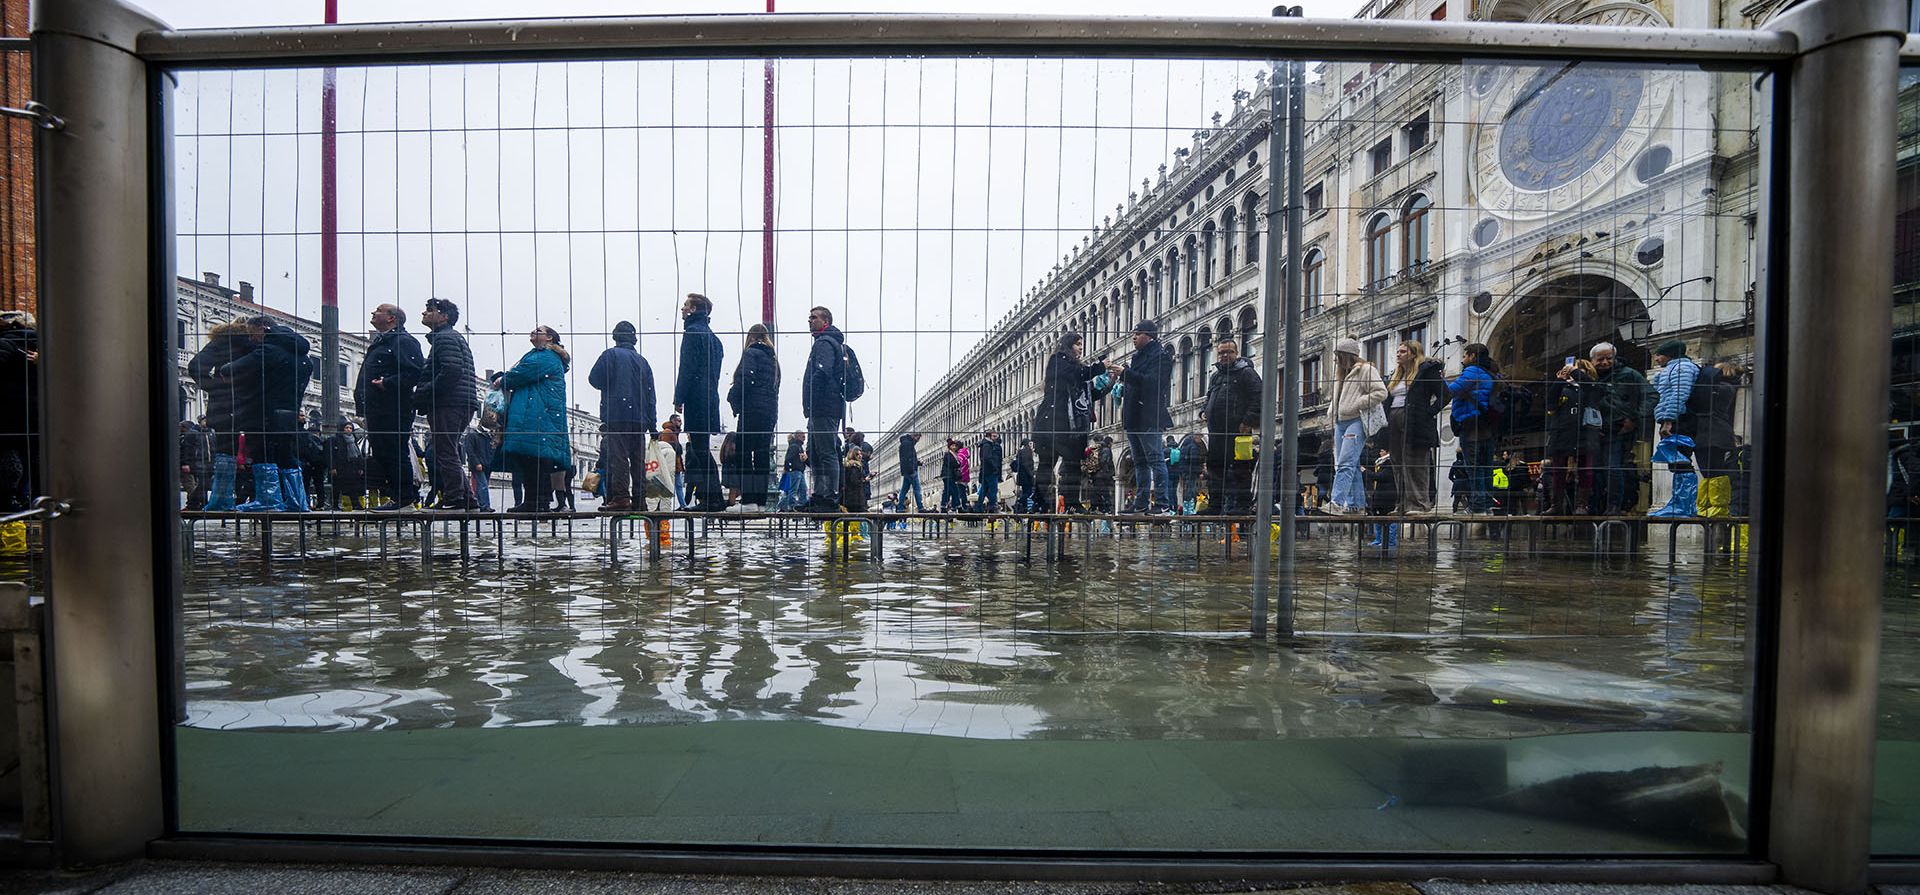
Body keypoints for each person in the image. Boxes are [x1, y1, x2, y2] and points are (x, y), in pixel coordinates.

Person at [493, 325, 573, 513]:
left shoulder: (546, 357)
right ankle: (536, 501)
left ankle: (536, 501)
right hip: (537, 414)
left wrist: (502, 380)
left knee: (534, 458)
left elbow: (522, 374)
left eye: (539, 331)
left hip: (538, 415)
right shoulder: (543, 355)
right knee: (534, 458)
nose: (533, 332)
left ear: (549, 338)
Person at [410, 298, 481, 511]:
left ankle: (455, 497)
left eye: (430, 310)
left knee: (445, 450)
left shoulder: (445, 338)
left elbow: (451, 371)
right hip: (459, 401)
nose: (424, 313)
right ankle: (466, 498)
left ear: (444, 316)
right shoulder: (449, 337)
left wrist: (424, 391)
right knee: (447, 449)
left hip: (449, 402)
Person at [1032, 332, 1112, 514]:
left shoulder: (1072, 367)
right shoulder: (1058, 361)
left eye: (1081, 344)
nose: (1081, 347)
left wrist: (1110, 383)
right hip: (1054, 420)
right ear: (1068, 346)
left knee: (1072, 464)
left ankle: (1071, 503)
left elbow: (1088, 394)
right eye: (1077, 344)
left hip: (1068, 424)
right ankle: (1040, 503)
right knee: (1047, 463)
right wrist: (1100, 367)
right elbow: (1077, 374)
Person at [355, 304, 425, 510]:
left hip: (393, 407)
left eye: (378, 310)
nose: (373, 313)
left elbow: (414, 372)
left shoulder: (403, 342)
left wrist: (388, 383)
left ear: (392, 318)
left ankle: (404, 499)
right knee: (383, 452)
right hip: (376, 408)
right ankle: (399, 497)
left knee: (394, 451)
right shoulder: (382, 342)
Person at [589, 320, 658, 512]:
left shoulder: (610, 355)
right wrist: (652, 425)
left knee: (618, 458)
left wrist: (611, 382)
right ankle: (640, 500)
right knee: (638, 460)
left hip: (616, 414)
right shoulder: (643, 362)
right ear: (634, 339)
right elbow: (651, 395)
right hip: (640, 418)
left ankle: (621, 498)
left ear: (615, 337)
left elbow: (594, 379)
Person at [1113, 319, 1175, 514]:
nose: (1133, 337)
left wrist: (1126, 374)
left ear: (1148, 335)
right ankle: (1141, 503)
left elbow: (1153, 384)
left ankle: (1163, 503)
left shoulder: (1161, 357)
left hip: (1148, 415)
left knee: (1155, 459)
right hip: (1134, 415)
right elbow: (1137, 383)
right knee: (1139, 461)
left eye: (1137, 334)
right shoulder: (1138, 357)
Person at [673, 294, 726, 512]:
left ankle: (711, 500)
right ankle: (711, 498)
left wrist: (679, 397)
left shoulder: (693, 333)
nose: (682, 310)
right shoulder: (714, 338)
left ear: (694, 309)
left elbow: (686, 368)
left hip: (696, 397)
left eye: (685, 306)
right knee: (701, 449)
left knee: (699, 450)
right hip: (710, 397)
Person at [1201, 339, 1262, 515]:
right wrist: (1204, 411)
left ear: (1236, 353)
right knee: (1215, 467)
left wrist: (1248, 421)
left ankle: (1242, 506)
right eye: (1221, 353)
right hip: (1216, 431)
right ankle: (1215, 506)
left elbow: (1258, 396)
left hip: (1239, 431)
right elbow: (1208, 397)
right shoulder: (1216, 376)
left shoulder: (1246, 373)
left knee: (1241, 468)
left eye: (1228, 352)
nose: (1224, 356)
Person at [1326, 337, 1387, 516]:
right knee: (1347, 464)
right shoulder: (1340, 373)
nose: (1336, 359)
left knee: (1345, 462)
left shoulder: (1366, 370)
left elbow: (1381, 392)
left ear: (1347, 355)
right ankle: (1356, 505)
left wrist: (1357, 403)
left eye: (1338, 355)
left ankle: (1336, 502)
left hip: (1356, 420)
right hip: (1340, 422)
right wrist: (1333, 411)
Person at [1385, 341, 1446, 514]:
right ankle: (1403, 504)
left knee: (1416, 462)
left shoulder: (1426, 371)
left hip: (1415, 421)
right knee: (1397, 461)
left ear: (1413, 354)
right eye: (1397, 351)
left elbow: (1445, 394)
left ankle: (1420, 504)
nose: (1398, 354)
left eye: (1403, 351)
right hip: (1395, 418)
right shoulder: (1396, 375)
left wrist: (1427, 413)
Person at [1590, 341, 1652, 514]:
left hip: (1618, 430)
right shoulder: (1588, 376)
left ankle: (1614, 505)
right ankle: (1595, 505)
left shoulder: (1629, 374)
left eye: (1609, 358)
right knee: (1593, 470)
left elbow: (1651, 395)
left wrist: (1634, 418)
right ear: (1592, 360)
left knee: (1612, 467)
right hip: (1592, 431)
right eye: (1600, 359)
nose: (1605, 362)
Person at [725, 323, 780, 511]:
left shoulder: (751, 353)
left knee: (744, 453)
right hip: (769, 412)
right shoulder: (773, 359)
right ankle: (761, 502)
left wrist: (732, 397)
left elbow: (745, 380)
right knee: (762, 454)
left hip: (752, 410)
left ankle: (749, 501)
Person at [800, 306, 850, 511]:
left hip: (823, 407)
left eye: (814, 318)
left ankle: (828, 496)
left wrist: (813, 395)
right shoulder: (829, 342)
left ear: (826, 321)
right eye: (809, 317)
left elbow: (823, 371)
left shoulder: (825, 342)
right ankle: (821, 495)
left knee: (826, 452)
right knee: (817, 451)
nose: (810, 321)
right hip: (824, 406)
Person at [1544, 358, 1603, 515]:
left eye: (1579, 370)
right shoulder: (1563, 387)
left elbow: (1592, 389)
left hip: (1585, 433)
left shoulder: (1590, 388)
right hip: (1561, 433)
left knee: (1586, 470)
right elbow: (1550, 403)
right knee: (1558, 471)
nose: (1573, 372)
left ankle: (1582, 505)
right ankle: (1556, 505)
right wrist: (1559, 380)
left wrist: (1575, 372)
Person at [1447, 343, 1500, 514]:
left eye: (1465, 355)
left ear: (1473, 356)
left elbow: (1451, 390)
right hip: (1489, 426)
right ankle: (1487, 504)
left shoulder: (1472, 371)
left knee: (1474, 467)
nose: (1463, 359)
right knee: (1486, 467)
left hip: (1471, 426)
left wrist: (1439, 379)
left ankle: (1477, 505)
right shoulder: (1493, 372)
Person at [0, 311, 37, 511]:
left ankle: (11, 501)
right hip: (39, 413)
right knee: (34, 457)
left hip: (9, 413)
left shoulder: (7, 342)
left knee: (10, 455)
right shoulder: (46, 345)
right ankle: (31, 500)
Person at [328, 420, 368, 510]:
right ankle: (335, 505)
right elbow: (332, 455)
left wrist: (360, 467)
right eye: (347, 428)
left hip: (352, 468)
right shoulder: (335, 439)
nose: (349, 430)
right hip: (340, 467)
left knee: (352, 487)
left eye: (350, 428)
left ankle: (355, 504)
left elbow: (358, 455)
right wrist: (332, 467)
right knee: (337, 487)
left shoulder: (353, 440)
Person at [178, 419, 212, 510]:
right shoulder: (204, 434)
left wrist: (185, 463)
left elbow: (187, 451)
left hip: (191, 464)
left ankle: (192, 504)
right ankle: (201, 503)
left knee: (190, 485)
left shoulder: (189, 435)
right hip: (200, 463)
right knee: (199, 484)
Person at [461, 423, 495, 511]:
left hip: (487, 465)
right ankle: (485, 506)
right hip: (478, 465)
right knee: (483, 485)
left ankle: (478, 504)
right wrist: (476, 463)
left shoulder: (488, 436)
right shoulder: (472, 435)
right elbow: (470, 451)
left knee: (482, 485)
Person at [975, 430, 1004, 513]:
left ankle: (979, 507)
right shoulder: (987, 445)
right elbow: (987, 458)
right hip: (990, 470)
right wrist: (994, 467)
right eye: (994, 436)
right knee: (993, 489)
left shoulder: (986, 444)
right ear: (989, 436)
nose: (996, 438)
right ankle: (992, 506)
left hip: (986, 470)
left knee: (984, 490)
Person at [1178, 431, 1207, 514]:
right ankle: (1190, 510)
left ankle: (1186, 509)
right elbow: (1194, 461)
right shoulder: (1194, 447)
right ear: (1195, 437)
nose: (1201, 440)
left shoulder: (1184, 446)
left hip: (1185, 472)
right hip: (1192, 472)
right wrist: (1200, 470)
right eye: (1200, 437)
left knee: (1187, 489)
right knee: (1191, 490)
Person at [895, 433, 926, 512]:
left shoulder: (905, 443)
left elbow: (909, 459)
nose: (918, 441)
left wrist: (918, 463)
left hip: (907, 471)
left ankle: (900, 508)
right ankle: (920, 507)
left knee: (904, 490)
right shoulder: (908, 444)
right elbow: (907, 459)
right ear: (914, 436)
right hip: (911, 471)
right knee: (917, 489)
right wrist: (912, 470)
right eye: (918, 438)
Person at [1088, 435, 1117, 514]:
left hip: (1095, 475)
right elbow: (1104, 461)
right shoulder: (1106, 450)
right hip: (1102, 475)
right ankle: (1107, 509)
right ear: (1110, 442)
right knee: (1105, 493)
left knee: (1096, 492)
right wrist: (1107, 472)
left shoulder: (1097, 448)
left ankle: (1095, 508)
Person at [779, 430, 807, 510]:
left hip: (797, 471)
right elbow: (788, 458)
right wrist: (788, 468)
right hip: (796, 471)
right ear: (798, 436)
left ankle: (795, 506)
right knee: (796, 490)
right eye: (803, 437)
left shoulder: (796, 446)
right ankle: (793, 506)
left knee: (800, 490)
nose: (804, 439)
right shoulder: (796, 446)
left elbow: (788, 459)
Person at [1012, 438, 1037, 512]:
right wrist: (1031, 475)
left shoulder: (1020, 451)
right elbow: (1027, 465)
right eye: (1030, 444)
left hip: (1022, 476)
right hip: (1026, 476)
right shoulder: (1027, 451)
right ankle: (1019, 502)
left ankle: (1024, 508)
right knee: (1028, 492)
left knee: (1025, 492)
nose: (1032, 446)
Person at [939, 438, 964, 512]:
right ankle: (959, 508)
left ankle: (943, 507)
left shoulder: (953, 454)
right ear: (949, 447)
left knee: (947, 492)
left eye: (955, 445)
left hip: (950, 475)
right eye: (953, 445)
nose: (954, 447)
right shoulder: (948, 454)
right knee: (954, 491)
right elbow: (952, 463)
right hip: (948, 475)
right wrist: (958, 464)